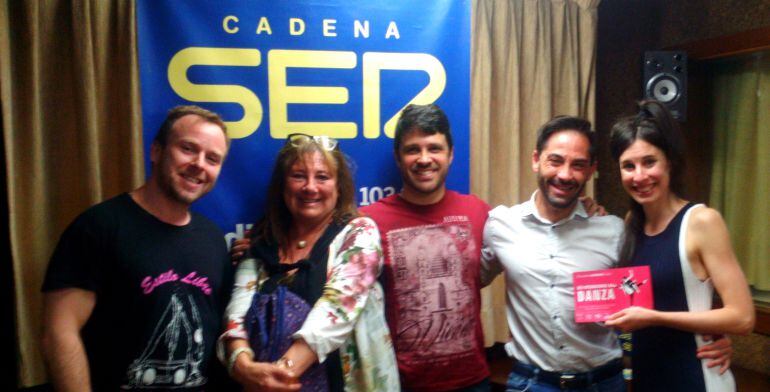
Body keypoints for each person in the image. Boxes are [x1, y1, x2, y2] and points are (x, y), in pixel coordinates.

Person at [481, 115, 735, 392]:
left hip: (604, 382)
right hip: (532, 383)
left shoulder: (615, 231)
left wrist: (713, 333)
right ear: (536, 160)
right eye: (555, 161)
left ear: (591, 170)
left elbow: (661, 288)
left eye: (578, 165)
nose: (565, 174)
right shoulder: (500, 225)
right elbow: (470, 281)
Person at [41, 105, 233, 390]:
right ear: (156, 151)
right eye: (188, 149)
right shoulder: (99, 227)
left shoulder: (213, 239)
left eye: (213, 159)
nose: (199, 164)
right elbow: (59, 332)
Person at [218, 134, 399, 391]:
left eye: (322, 177)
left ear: (339, 187)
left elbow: (338, 308)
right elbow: (235, 314)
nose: (310, 187)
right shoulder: (261, 240)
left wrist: (278, 377)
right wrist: (242, 365)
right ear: (283, 186)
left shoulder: (359, 233)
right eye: (298, 175)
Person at [605, 100, 755, 391]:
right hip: (648, 375)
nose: (639, 176)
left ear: (669, 162)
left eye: (650, 162)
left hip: (695, 375)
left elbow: (743, 316)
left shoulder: (702, 221)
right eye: (628, 166)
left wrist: (655, 318)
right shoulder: (630, 223)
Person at [360, 104, 492, 391]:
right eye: (412, 149)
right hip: (401, 383)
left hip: (472, 381)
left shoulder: (478, 212)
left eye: (434, 148)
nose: (424, 159)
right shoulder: (369, 220)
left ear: (451, 154)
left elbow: (534, 233)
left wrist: (586, 209)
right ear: (398, 157)